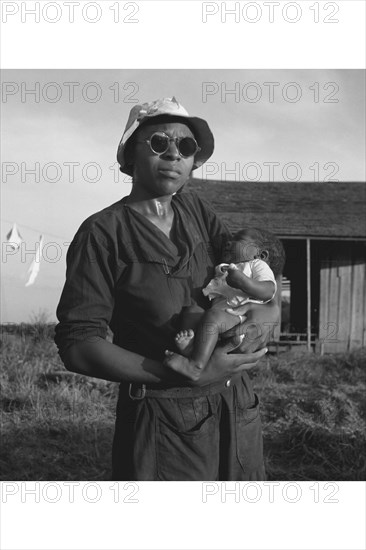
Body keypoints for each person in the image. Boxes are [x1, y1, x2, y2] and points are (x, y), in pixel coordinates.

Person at [54, 97, 280, 481]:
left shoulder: (198, 213)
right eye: (160, 143)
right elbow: (79, 345)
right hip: (163, 418)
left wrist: (261, 324)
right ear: (129, 157)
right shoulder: (102, 233)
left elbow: (258, 285)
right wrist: (179, 374)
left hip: (235, 404)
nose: (175, 154)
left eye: (187, 147)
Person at [164, 227, 285, 381]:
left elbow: (268, 290)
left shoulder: (257, 265)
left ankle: (195, 366)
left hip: (239, 320)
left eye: (238, 239)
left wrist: (243, 282)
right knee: (192, 311)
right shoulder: (225, 268)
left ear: (260, 254)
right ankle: (193, 349)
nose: (228, 243)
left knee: (213, 317)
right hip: (221, 319)